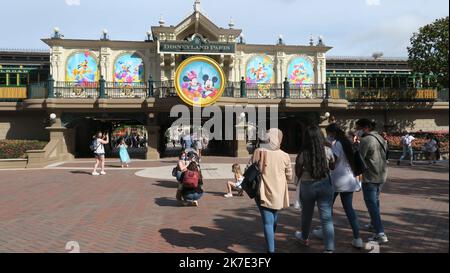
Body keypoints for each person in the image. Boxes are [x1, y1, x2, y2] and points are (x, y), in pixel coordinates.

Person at [311, 124, 363, 248]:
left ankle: (325, 233)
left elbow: (332, 161)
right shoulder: (347, 142)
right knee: (349, 209)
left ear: (332, 133)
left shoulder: (338, 144)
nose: (328, 136)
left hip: (337, 180)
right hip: (349, 180)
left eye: (329, 133)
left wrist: (327, 148)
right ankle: (357, 238)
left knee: (327, 209)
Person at [249, 128, 292, 253]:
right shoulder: (285, 155)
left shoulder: (259, 152)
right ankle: (270, 240)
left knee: (268, 221)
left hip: (262, 191)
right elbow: (289, 176)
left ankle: (271, 249)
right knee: (274, 216)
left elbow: (250, 168)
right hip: (278, 192)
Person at [294, 126, 336, 253]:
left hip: (308, 185)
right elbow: (333, 166)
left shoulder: (303, 153)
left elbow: (298, 171)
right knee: (326, 217)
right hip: (325, 184)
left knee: (306, 214)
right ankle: (329, 248)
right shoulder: (327, 150)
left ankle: (304, 237)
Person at [355, 119, 389, 244]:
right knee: (375, 201)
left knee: (371, 204)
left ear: (365, 128)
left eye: (358, 128)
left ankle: (380, 233)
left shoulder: (366, 140)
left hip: (371, 176)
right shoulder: (379, 137)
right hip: (381, 175)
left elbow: (359, 157)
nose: (356, 131)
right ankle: (373, 224)